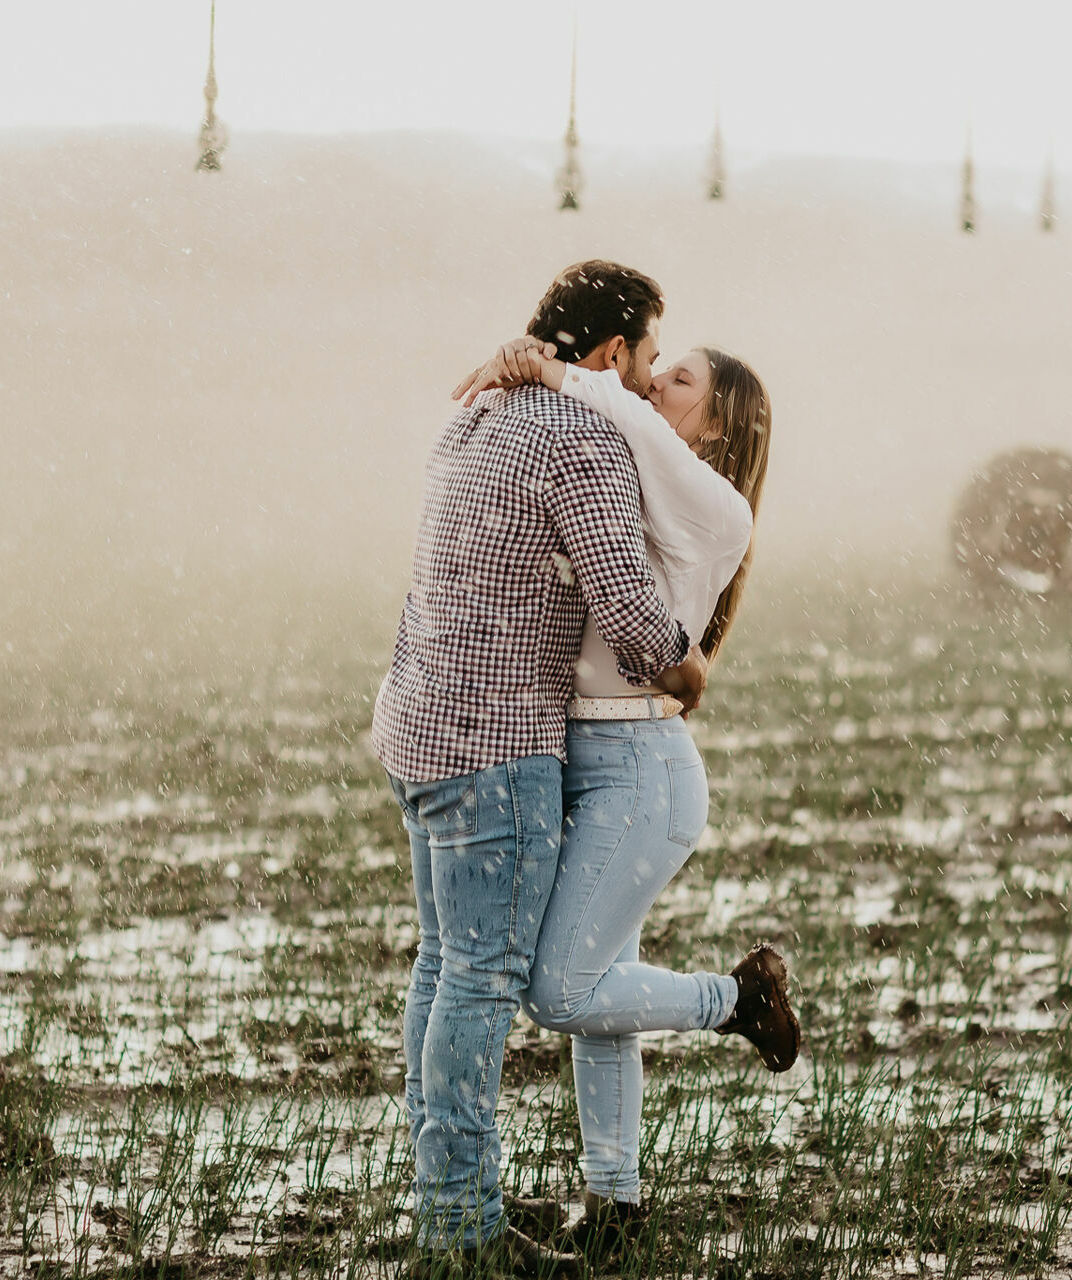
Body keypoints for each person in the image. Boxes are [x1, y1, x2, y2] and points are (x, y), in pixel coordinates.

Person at [369, 260, 710, 1278]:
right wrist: (687, 665)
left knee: (441, 968)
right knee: (479, 982)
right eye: (650, 355)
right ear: (612, 353)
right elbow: (628, 604)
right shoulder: (582, 436)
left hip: (419, 726)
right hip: (497, 746)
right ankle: (463, 1228)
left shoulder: (474, 415)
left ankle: (450, 1202)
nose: (652, 379)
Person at [448, 335, 800, 1266]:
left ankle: (737, 998)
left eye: (676, 379)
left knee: (561, 990)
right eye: (654, 366)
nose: (649, 384)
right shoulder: (641, 480)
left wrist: (559, 369)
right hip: (589, 761)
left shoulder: (716, 506)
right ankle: (618, 1207)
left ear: (718, 423)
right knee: (602, 996)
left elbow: (629, 419)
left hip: (641, 772)